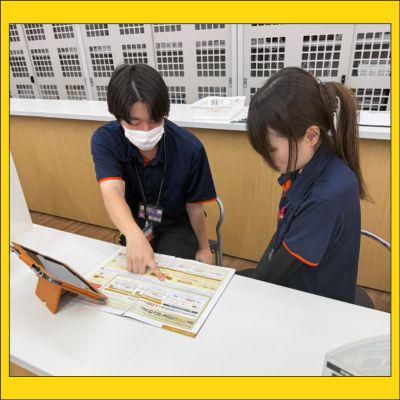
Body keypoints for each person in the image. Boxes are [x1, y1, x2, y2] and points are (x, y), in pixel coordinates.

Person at [241, 67, 369, 304]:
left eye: (270, 150)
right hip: (299, 284)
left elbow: (280, 269)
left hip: (316, 303)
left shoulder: (326, 196)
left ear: (311, 136)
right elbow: (281, 240)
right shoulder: (307, 167)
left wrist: (248, 291)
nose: (264, 160)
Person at [91, 64, 216, 279]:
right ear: (118, 117)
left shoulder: (189, 148)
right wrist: (133, 234)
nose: (146, 130)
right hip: (136, 224)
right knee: (133, 275)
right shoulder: (106, 140)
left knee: (168, 276)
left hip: (176, 225)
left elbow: (195, 206)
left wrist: (204, 248)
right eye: (135, 122)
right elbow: (112, 192)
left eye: (154, 120)